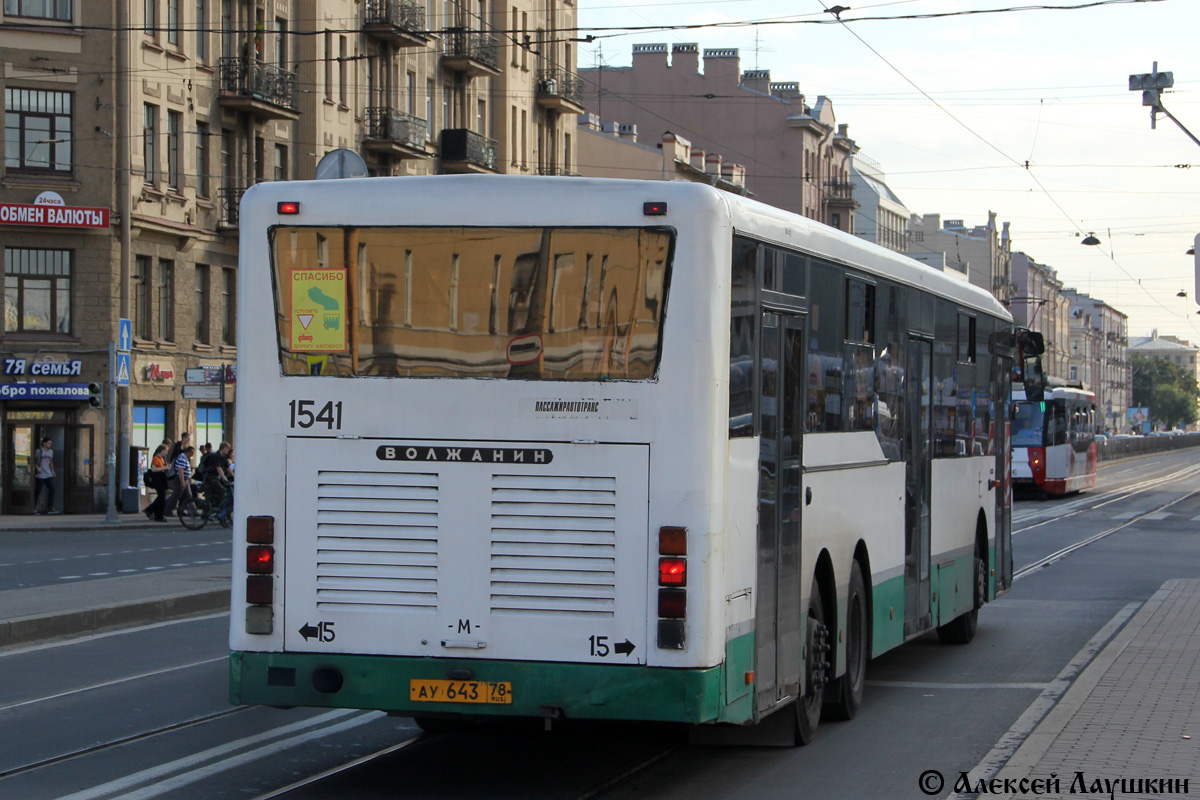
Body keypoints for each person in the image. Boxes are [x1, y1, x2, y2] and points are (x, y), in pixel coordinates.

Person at [164, 445, 196, 517]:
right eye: (192, 454)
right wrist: (182, 482)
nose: (191, 456)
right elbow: (180, 470)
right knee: (176, 495)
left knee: (188, 495)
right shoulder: (182, 458)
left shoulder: (184, 458)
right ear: (189, 452)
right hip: (181, 479)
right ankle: (167, 510)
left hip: (186, 479)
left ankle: (193, 510)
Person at [144, 444, 170, 521]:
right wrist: (164, 467)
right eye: (166, 451)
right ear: (161, 450)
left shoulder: (162, 459)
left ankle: (155, 513)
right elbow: (154, 469)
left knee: (161, 497)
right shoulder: (156, 458)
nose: (166, 453)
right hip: (158, 479)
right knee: (162, 497)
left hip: (162, 478)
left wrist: (166, 467)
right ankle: (152, 511)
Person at [32, 437, 58, 514]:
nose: (50, 445)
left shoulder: (51, 452)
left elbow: (51, 462)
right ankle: (33, 507)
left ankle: (50, 507)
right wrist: (37, 468)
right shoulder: (39, 451)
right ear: (44, 443)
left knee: (52, 489)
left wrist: (53, 471)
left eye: (51, 443)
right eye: (49, 443)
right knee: (38, 491)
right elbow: (33, 460)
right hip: (40, 475)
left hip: (48, 474)